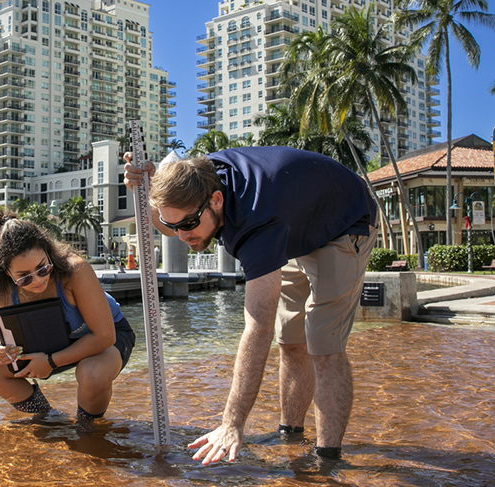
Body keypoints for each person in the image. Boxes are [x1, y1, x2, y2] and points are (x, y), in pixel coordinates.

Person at [124, 146, 376, 463]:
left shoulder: (255, 220)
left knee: (323, 345)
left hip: (344, 220)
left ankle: (327, 459)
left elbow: (257, 326)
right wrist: (146, 188)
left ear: (216, 201)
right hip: (293, 221)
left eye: (187, 225)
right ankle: (290, 435)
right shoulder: (198, 181)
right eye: (173, 225)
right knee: (291, 340)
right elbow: (172, 218)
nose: (180, 236)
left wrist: (232, 423)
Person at [0, 207, 136, 428]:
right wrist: (2, 346)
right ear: (7, 273)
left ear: (48, 252)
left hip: (107, 336)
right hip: (51, 345)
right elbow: (6, 333)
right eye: (24, 277)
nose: (36, 280)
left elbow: (104, 336)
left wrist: (51, 362)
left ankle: (88, 428)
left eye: (42, 268)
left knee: (92, 372)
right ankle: (48, 419)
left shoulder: (75, 270)